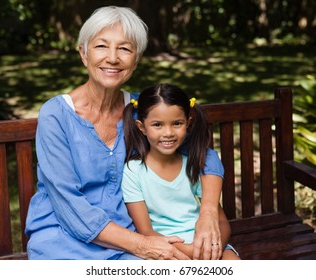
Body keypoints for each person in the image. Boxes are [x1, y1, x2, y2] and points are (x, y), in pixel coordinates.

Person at [25, 6, 226, 260]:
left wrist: (208, 211)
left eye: (125, 48)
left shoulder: (139, 112)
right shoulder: (56, 115)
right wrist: (141, 244)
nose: (112, 58)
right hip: (63, 237)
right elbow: (68, 206)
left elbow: (203, 154)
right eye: (101, 46)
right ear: (83, 53)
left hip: (126, 234)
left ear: (136, 60)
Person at [122, 84, 240, 260]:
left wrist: (212, 249)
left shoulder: (194, 165)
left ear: (188, 123)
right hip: (164, 249)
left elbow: (222, 223)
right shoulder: (133, 171)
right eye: (157, 125)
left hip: (208, 245)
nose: (168, 133)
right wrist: (192, 252)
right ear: (142, 127)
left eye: (177, 123)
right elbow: (146, 231)